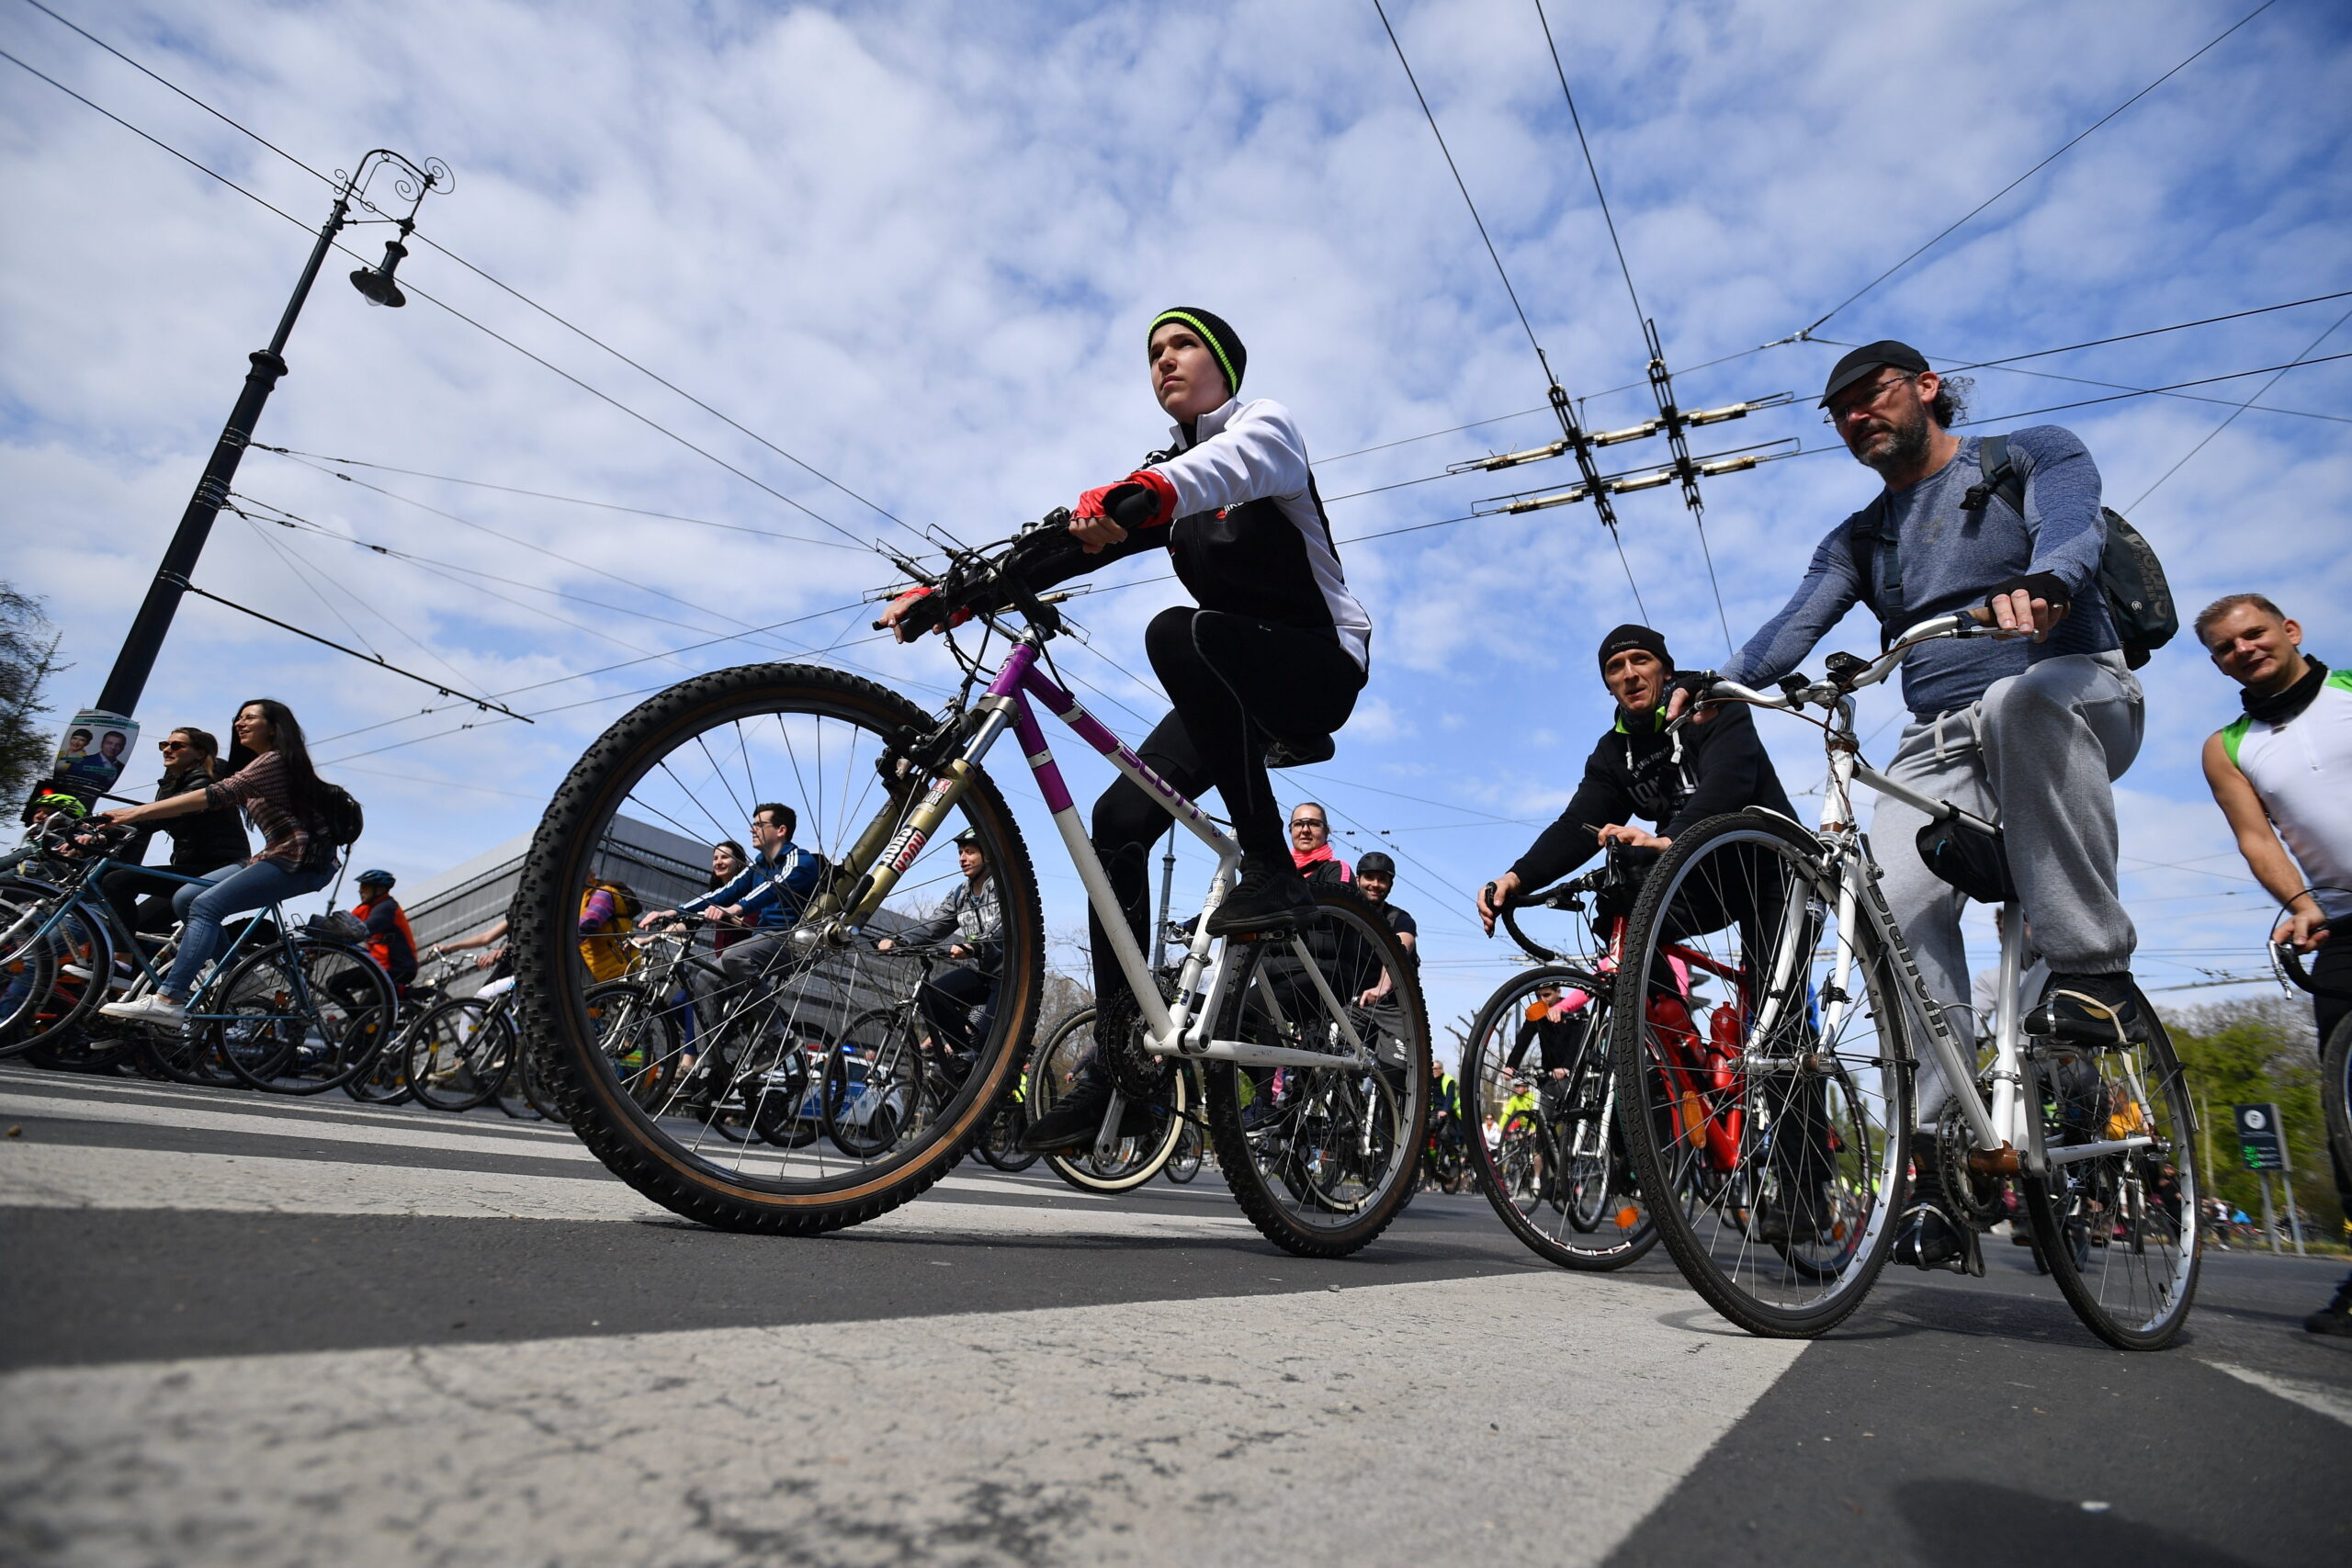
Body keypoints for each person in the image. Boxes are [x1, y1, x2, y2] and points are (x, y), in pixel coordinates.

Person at [1669, 342, 2143, 1266]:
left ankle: (2094, 969)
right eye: (1837, 412)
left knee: (2020, 699)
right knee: (1889, 900)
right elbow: (1796, 623)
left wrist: (2046, 585)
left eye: (1870, 397)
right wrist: (1721, 685)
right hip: (1940, 742)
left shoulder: (2028, 455)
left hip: (2072, 687)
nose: (1855, 418)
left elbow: (2073, 531)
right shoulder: (1860, 537)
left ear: (1926, 387)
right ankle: (1939, 1155)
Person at [886, 309, 1371, 1149]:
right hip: (1228, 683)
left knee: (1177, 630)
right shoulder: (1165, 473)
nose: (1163, 362)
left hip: (1318, 667)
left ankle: (1273, 870)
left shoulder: (1264, 429)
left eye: (1180, 346)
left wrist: (1137, 496)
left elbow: (1219, 473)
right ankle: (1127, 1072)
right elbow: (1075, 545)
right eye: (1152, 354)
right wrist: (957, 595)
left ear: (1222, 364)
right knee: (1118, 822)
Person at [2194, 592, 2352, 1337]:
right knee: (2345, 1105)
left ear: (2289, 630)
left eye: (2254, 634)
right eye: (2226, 647)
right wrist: (2298, 898)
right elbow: (2258, 837)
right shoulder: (2228, 746)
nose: (2243, 650)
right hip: (2340, 923)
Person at [1478, 623, 1795, 930]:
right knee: (1615, 897)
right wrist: (1515, 878)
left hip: (1775, 867)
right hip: (1703, 878)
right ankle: (1643, 986)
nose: (1629, 674)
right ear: (1609, 686)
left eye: (1641, 660)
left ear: (1666, 670)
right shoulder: (1612, 753)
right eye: (1615, 667)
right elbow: (1578, 826)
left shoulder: (1710, 705)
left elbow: (1728, 781)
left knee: (1768, 985)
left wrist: (1669, 839)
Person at [96, 699, 341, 1026]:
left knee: (206, 906)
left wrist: (132, 812)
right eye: (238, 717)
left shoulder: (276, 762)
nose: (240, 723)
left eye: (250, 717)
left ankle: (169, 1000)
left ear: (274, 727)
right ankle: (236, 976)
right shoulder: (254, 765)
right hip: (274, 855)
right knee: (185, 898)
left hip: (302, 860)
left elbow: (212, 795)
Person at [647, 803, 823, 1071]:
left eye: (759, 824)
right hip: (763, 940)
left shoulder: (800, 860)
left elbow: (771, 888)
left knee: (734, 954)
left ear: (781, 830)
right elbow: (722, 892)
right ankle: (709, 1066)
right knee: (705, 979)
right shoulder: (758, 866)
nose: (752, 829)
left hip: (792, 941)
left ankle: (778, 1035)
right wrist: (672, 912)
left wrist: (735, 908)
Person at [877, 828, 1002, 1079]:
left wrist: (974, 946)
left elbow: (1003, 926)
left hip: (1008, 975)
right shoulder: (960, 895)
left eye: (970, 852)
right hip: (980, 972)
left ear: (987, 856)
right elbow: (933, 927)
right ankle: (965, 1056)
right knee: (931, 996)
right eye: (960, 852)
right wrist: (899, 941)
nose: (962, 858)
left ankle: (986, 1068)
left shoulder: (1002, 889)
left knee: (989, 1036)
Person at [99, 728, 250, 937]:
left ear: (199, 753)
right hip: (188, 867)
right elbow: (147, 821)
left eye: (177, 745)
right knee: (136, 925)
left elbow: (160, 816)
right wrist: (98, 834)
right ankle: (132, 965)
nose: (167, 750)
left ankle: (121, 962)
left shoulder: (210, 778)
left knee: (117, 881)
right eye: (165, 745)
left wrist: (110, 828)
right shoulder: (170, 783)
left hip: (219, 869)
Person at [1351, 850, 1417, 1006]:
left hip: (1392, 1005)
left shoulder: (1400, 919)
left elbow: (1400, 948)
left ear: (1390, 885)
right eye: (1369, 877)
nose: (1375, 884)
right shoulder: (1345, 915)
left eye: (1382, 879)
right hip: (1354, 1003)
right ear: (1358, 880)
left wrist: (1382, 987)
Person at [351, 870, 419, 992]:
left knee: (334, 983)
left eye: (365, 887)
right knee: (367, 1008)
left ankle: (406, 994)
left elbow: (358, 932)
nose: (360, 890)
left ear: (380, 889)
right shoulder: (366, 908)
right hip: (378, 966)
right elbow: (344, 927)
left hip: (397, 968)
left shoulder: (387, 908)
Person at [1288, 803, 1353, 888]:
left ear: (1326, 832)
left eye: (1314, 824)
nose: (1305, 830)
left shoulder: (1337, 869)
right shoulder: (1278, 869)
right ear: (1291, 831)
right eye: (1298, 824)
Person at [707, 840, 751, 953]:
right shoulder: (716, 893)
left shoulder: (750, 891)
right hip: (722, 958)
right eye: (715, 858)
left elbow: (751, 924)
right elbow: (692, 917)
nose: (718, 862)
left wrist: (724, 911)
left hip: (743, 957)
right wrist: (661, 934)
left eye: (725, 857)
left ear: (739, 863)